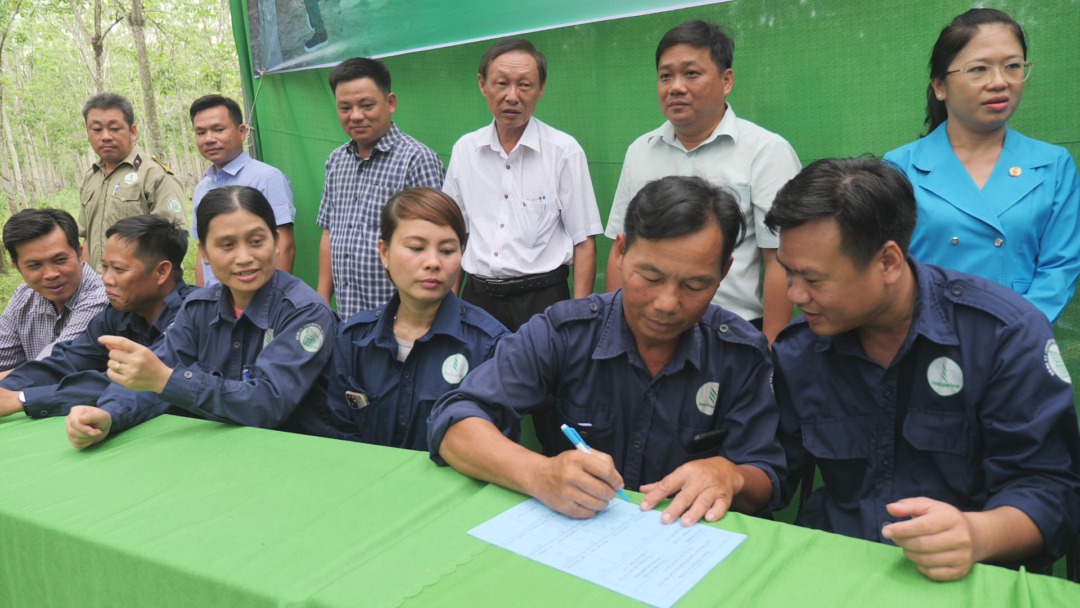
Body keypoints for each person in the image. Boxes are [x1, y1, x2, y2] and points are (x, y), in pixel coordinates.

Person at [766, 157, 1080, 582]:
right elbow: (772, 465)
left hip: (970, 577)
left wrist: (976, 533)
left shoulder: (1002, 336)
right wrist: (728, 473)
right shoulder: (801, 350)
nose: (795, 294)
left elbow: (1052, 491)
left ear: (889, 262)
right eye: (787, 273)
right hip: (839, 568)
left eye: (814, 280)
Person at [429, 176, 785, 526]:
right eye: (651, 277)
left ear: (723, 273)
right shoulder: (566, 333)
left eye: (694, 285)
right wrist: (539, 473)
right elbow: (455, 420)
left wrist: (731, 475)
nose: (666, 303)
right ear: (620, 252)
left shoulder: (739, 354)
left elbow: (766, 480)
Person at [65, 186, 339, 448]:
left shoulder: (305, 312)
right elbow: (150, 372)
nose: (244, 257)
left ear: (276, 243)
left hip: (299, 453)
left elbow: (267, 404)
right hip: (221, 452)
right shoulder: (199, 308)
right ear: (205, 253)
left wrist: (167, 380)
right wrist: (109, 415)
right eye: (227, 245)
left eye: (257, 241)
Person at [603, 20, 801, 345]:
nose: (675, 87)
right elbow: (620, 247)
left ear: (726, 81)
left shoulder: (766, 152)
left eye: (691, 74)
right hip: (649, 326)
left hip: (730, 331)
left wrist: (771, 347)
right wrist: (614, 333)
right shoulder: (640, 150)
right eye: (666, 76)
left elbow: (780, 259)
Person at [884, 9, 1080, 323]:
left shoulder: (1053, 166)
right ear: (940, 86)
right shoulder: (900, 168)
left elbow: (1059, 270)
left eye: (1013, 66)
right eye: (979, 69)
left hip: (1020, 345)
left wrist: (1017, 334)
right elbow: (887, 270)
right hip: (929, 342)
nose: (1000, 82)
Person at [327, 188, 507, 450]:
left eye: (447, 250)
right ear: (384, 252)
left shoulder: (489, 345)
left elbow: (498, 447)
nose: (433, 262)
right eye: (416, 248)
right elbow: (339, 433)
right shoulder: (353, 338)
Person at [442, 38, 603, 331]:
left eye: (525, 85)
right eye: (501, 83)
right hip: (477, 300)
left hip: (542, 301)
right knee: (475, 377)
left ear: (541, 89)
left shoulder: (563, 151)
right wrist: (447, 306)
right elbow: (453, 235)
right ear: (482, 84)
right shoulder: (465, 150)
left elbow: (584, 240)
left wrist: (580, 320)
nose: (512, 96)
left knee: (543, 377)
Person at [0, 215, 194, 419]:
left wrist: (22, 398)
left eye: (119, 269)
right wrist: (7, 388)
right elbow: (66, 362)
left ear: (162, 271)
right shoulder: (117, 314)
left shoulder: (193, 314)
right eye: (105, 268)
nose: (106, 280)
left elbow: (132, 380)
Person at [317, 57, 445, 319]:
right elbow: (330, 232)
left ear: (390, 103)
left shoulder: (417, 160)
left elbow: (438, 241)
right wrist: (321, 299)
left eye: (366, 105)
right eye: (345, 107)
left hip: (401, 316)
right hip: (348, 316)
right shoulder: (336, 161)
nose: (356, 116)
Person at [190, 94, 296, 287]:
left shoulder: (267, 178)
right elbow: (202, 253)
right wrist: (202, 300)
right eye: (201, 132)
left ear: (242, 132)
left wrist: (272, 302)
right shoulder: (202, 188)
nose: (209, 139)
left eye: (218, 129)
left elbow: (284, 246)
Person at [79, 92, 188, 270]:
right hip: (99, 289)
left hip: (142, 286)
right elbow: (88, 239)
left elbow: (174, 239)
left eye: (114, 129)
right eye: (97, 130)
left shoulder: (154, 174)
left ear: (133, 131)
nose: (105, 136)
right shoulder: (90, 177)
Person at [0, 209, 107, 376]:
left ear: (79, 253)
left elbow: (49, 369)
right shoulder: (23, 297)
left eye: (60, 260)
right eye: (35, 265)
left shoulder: (102, 297)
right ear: (17, 267)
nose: (51, 274)